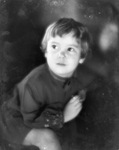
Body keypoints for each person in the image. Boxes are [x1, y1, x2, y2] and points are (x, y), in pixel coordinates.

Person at [1, 18, 92, 150]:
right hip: (15, 120)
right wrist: (64, 117)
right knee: (48, 139)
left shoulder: (71, 74)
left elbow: (78, 85)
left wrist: (81, 93)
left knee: (69, 132)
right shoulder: (34, 83)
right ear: (46, 51)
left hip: (43, 113)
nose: (61, 54)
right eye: (54, 46)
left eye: (70, 49)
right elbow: (30, 119)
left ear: (81, 57)